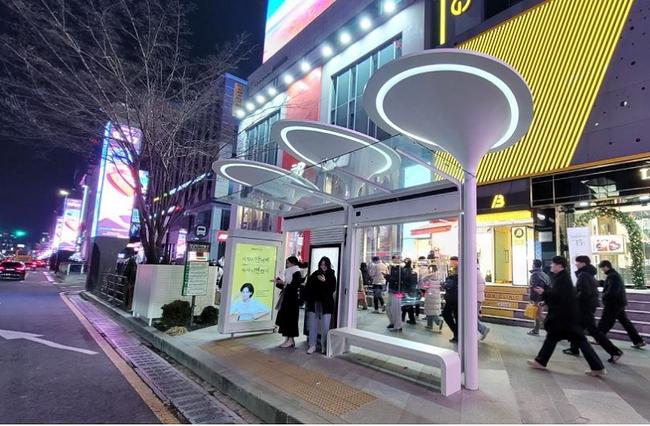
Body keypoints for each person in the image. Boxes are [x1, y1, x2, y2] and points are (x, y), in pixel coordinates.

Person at [528, 256, 606, 376]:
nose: (551, 266)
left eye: (553, 264)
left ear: (559, 266)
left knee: (571, 339)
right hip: (566, 316)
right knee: (556, 338)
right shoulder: (562, 277)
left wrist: (544, 293)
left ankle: (598, 367)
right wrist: (546, 297)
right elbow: (558, 294)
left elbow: (559, 297)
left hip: (564, 317)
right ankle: (541, 361)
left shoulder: (563, 279)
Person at [563, 256, 623, 363]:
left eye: (577, 262)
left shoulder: (583, 275)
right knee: (577, 328)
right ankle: (574, 349)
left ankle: (615, 351)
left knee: (593, 331)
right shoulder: (588, 273)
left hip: (585, 307)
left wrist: (574, 301)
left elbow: (584, 292)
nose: (576, 264)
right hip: (589, 305)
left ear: (583, 263)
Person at [598, 260, 646, 349]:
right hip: (618, 303)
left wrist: (604, 296)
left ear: (606, 267)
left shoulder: (612, 276)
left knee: (605, 321)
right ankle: (638, 341)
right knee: (625, 323)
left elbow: (612, 290)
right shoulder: (614, 275)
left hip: (613, 303)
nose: (602, 270)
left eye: (602, 268)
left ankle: (599, 338)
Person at [304, 257, 337, 354]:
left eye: (325, 264)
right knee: (312, 325)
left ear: (328, 265)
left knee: (325, 326)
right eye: (321, 264)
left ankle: (324, 346)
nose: (323, 266)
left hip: (326, 304)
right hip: (314, 303)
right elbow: (308, 286)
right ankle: (312, 345)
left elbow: (332, 289)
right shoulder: (315, 274)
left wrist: (325, 282)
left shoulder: (331, 275)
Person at [274, 256, 303, 348]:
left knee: (290, 320)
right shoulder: (290, 272)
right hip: (287, 300)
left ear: (293, 263)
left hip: (292, 301)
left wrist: (283, 283)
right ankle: (288, 339)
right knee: (286, 319)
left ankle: (290, 339)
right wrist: (278, 282)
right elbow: (286, 286)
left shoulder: (296, 272)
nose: (286, 264)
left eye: (288, 263)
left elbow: (294, 286)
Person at [528, 259, 550, 335]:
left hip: (537, 298)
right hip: (543, 297)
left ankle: (554, 329)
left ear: (534, 265)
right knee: (537, 314)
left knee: (539, 315)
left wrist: (532, 299)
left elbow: (534, 287)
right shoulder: (544, 274)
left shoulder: (535, 275)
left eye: (532, 264)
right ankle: (536, 330)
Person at [442, 258, 459, 343]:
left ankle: (457, 333)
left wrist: (444, 284)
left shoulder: (455, 273)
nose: (450, 263)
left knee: (446, 314)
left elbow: (448, 285)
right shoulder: (453, 272)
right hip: (455, 297)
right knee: (456, 316)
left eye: (452, 261)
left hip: (453, 298)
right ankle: (457, 334)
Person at [422, 265, 444, 331]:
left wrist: (423, 281)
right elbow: (440, 286)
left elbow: (425, 286)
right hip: (436, 294)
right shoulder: (439, 276)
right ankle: (429, 325)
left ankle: (438, 321)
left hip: (430, 294)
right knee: (431, 310)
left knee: (430, 310)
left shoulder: (428, 277)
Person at [385, 258, 403, 332]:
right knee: (389, 308)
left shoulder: (400, 269)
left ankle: (397, 326)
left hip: (398, 292)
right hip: (392, 291)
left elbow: (395, 280)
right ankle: (393, 323)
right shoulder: (393, 269)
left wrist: (387, 277)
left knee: (396, 309)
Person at [400, 259, 419, 325]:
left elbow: (402, 280)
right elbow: (415, 282)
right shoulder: (413, 271)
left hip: (405, 289)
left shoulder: (403, 271)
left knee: (405, 304)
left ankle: (404, 318)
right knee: (409, 304)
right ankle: (410, 319)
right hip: (412, 290)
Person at [476, 263, 490, 341]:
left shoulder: (473, 272)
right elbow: (484, 285)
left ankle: (483, 329)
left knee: (471, 318)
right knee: (473, 317)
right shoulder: (479, 272)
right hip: (479, 298)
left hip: (475, 299)